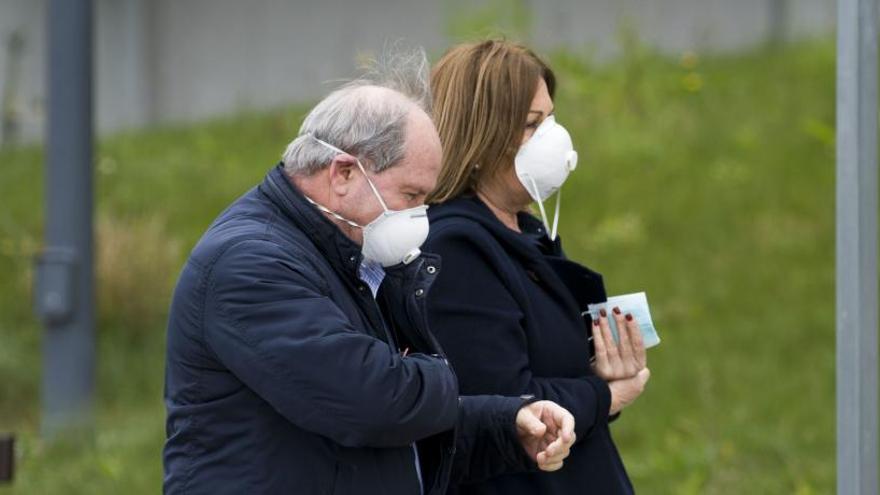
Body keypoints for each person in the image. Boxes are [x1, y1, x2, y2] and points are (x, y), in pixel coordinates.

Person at [162, 49, 579, 495]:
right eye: (411, 194)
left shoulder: (351, 253)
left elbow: (400, 436)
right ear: (343, 173)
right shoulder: (249, 263)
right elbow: (373, 403)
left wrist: (506, 424)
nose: (422, 215)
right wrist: (440, 371)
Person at [423, 40, 652, 494]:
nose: (552, 138)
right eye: (532, 125)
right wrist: (605, 395)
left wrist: (601, 372)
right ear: (479, 138)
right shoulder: (456, 250)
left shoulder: (522, 231)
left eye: (551, 119)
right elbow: (509, 408)